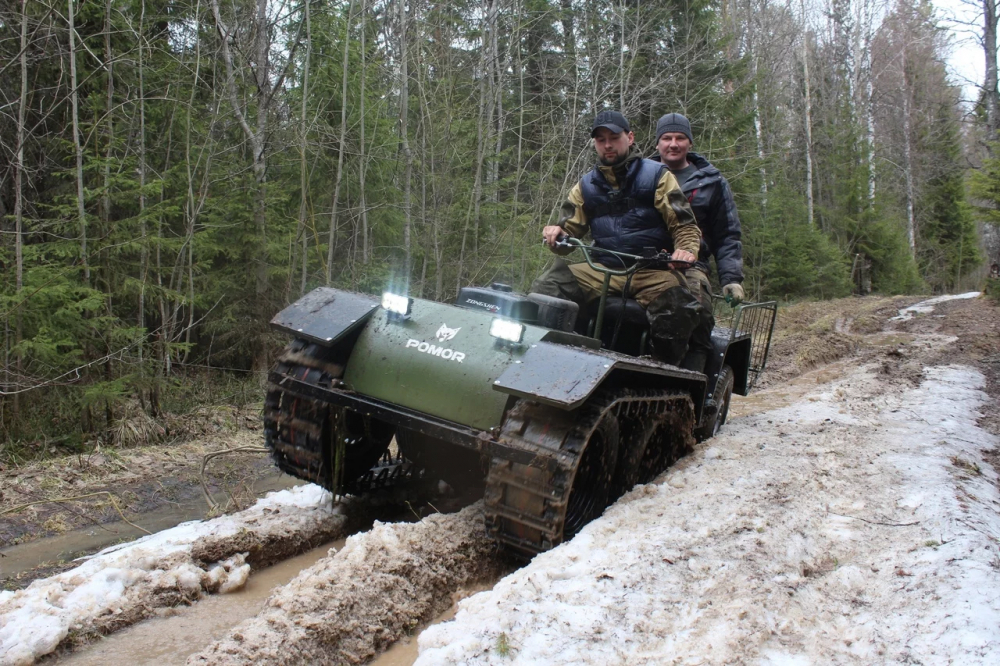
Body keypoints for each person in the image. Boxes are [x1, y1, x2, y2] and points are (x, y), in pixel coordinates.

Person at [531, 110, 704, 366]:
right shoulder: (586, 185)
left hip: (651, 270)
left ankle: (659, 374)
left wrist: (686, 250)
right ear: (594, 144)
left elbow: (685, 226)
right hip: (603, 269)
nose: (608, 145)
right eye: (601, 140)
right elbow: (568, 234)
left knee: (678, 308)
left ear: (630, 137)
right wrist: (557, 235)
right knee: (549, 285)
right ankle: (557, 358)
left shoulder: (658, 176)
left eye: (614, 137)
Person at [653, 112, 745, 372]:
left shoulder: (711, 182)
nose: (673, 144)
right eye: (667, 137)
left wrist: (731, 279)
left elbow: (727, 234)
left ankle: (696, 385)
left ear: (689, 143)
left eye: (680, 138)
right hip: (644, 259)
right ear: (657, 143)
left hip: (692, 264)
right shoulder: (641, 174)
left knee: (696, 312)